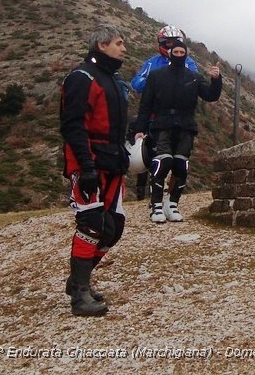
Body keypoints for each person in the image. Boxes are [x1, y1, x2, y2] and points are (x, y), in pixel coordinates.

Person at [60, 23, 130, 316]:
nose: (124, 48)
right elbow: (72, 125)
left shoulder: (114, 80)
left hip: (113, 163)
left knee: (113, 228)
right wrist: (86, 166)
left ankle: (79, 279)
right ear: (101, 45)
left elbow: (116, 125)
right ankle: (80, 294)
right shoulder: (81, 77)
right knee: (91, 224)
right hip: (88, 161)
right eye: (118, 42)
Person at [134, 40, 222, 223]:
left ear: (186, 54)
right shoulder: (156, 76)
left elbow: (211, 95)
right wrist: (140, 129)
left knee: (182, 165)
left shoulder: (194, 77)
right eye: (177, 52)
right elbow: (146, 104)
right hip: (162, 124)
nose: (179, 55)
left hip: (186, 126)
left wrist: (216, 80)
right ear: (171, 53)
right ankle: (156, 205)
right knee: (162, 162)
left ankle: (172, 204)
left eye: (183, 52)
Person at [129, 25, 198, 200]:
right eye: (167, 42)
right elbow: (136, 83)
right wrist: (155, 82)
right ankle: (143, 193)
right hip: (154, 116)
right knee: (151, 153)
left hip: (180, 119)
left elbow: (194, 82)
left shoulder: (188, 62)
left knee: (179, 157)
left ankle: (171, 196)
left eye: (175, 42)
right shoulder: (152, 63)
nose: (171, 46)